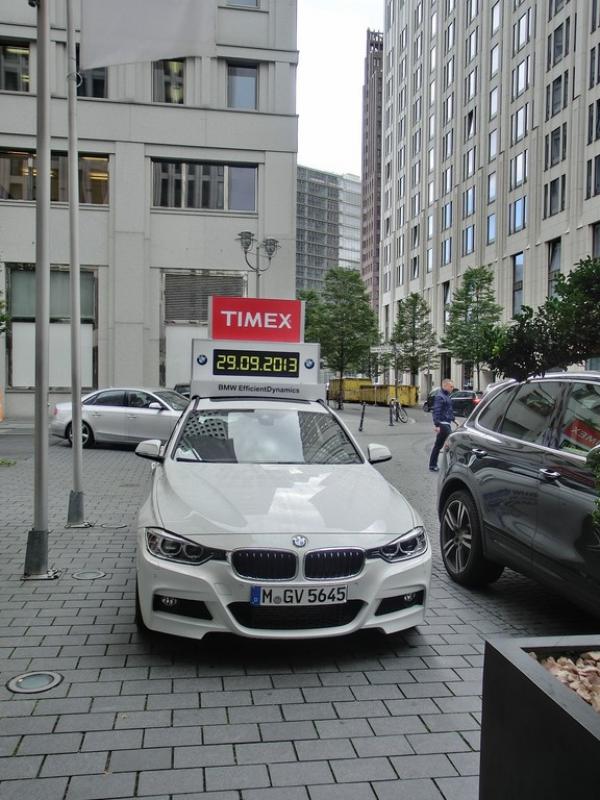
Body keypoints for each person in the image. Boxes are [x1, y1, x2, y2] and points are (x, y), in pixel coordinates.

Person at [428, 378, 455, 472]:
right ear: (445, 386)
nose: (452, 388)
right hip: (443, 424)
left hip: (446, 423)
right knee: (453, 441)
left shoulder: (446, 396)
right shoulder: (440, 396)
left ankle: (432, 465)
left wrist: (454, 420)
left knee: (438, 445)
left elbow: (448, 410)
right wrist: (437, 425)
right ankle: (451, 466)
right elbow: (436, 411)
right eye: (451, 386)